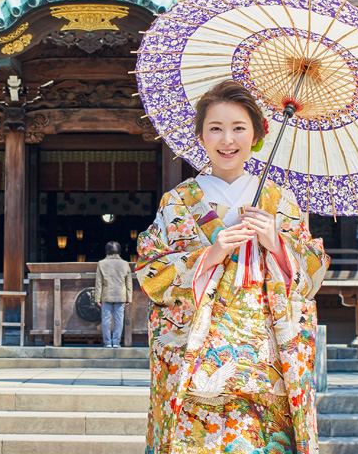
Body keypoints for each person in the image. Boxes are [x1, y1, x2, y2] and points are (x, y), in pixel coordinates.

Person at [136, 80, 329, 454]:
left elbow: (312, 275)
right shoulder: (177, 202)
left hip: (266, 361)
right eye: (216, 128)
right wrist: (209, 254)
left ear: (256, 134)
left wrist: (276, 243)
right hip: (196, 359)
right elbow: (150, 269)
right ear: (201, 136)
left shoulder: (281, 201)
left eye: (239, 128)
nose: (228, 139)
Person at [94, 241, 133, 348]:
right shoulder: (125, 264)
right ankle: (116, 342)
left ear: (107, 251)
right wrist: (129, 298)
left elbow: (98, 283)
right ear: (119, 251)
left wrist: (97, 298)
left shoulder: (101, 263)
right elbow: (129, 282)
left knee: (106, 320)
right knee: (119, 320)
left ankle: (107, 343)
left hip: (106, 295)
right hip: (121, 295)